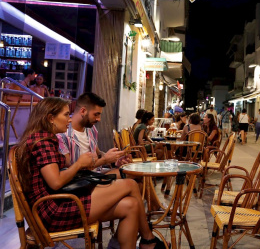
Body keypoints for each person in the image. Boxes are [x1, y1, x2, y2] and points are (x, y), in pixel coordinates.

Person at [17, 97, 167, 249]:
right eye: (65, 115)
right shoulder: (43, 142)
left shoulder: (43, 139)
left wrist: (106, 160)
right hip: (53, 210)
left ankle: (144, 241)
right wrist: (80, 164)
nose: (68, 120)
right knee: (130, 184)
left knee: (132, 205)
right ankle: (148, 240)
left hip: (59, 200)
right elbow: (55, 182)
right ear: (50, 118)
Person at [57, 93, 128, 176]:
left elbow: (98, 153)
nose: (99, 119)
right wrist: (105, 160)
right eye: (96, 114)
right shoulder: (62, 135)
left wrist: (115, 159)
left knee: (130, 173)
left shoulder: (91, 128)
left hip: (95, 173)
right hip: (80, 180)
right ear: (83, 111)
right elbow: (69, 169)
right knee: (129, 180)